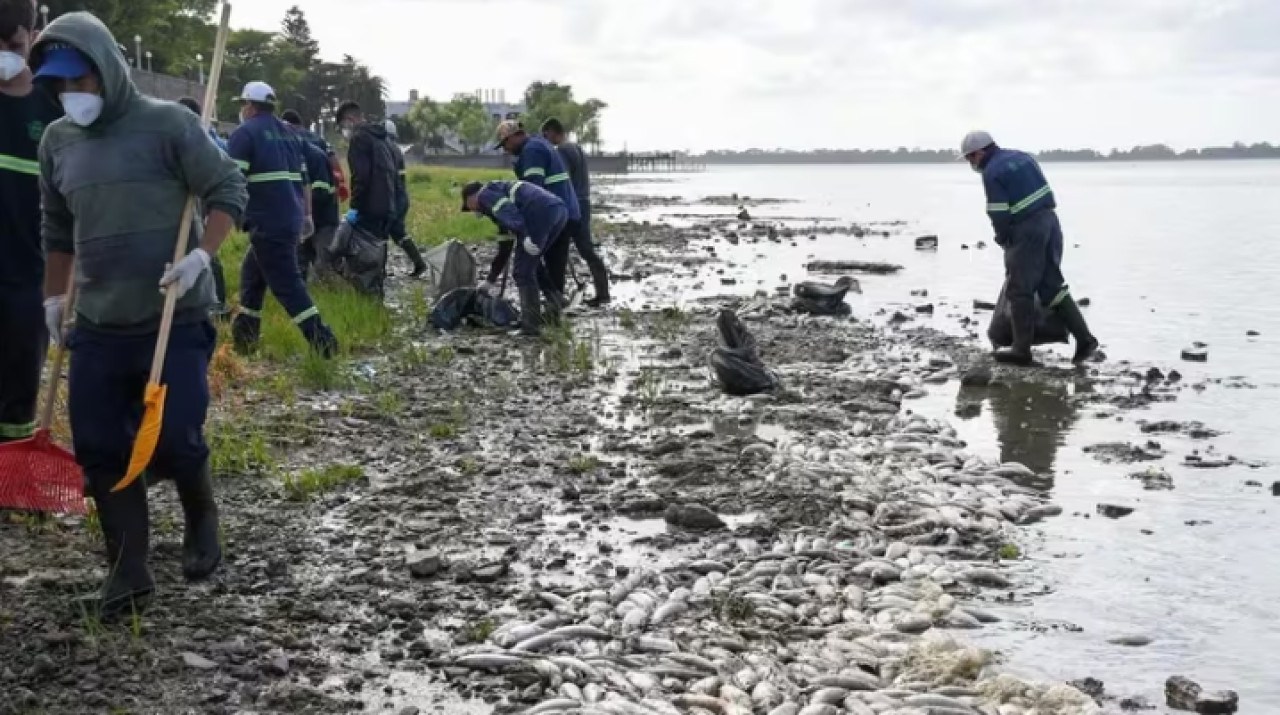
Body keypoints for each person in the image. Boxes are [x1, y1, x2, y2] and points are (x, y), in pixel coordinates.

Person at [32, 13, 248, 616]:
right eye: (60, 85)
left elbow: (228, 189)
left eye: (81, 81)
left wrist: (201, 257)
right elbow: (57, 228)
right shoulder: (57, 142)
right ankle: (127, 569)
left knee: (175, 438)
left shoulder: (169, 125)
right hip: (98, 322)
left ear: (107, 69)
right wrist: (54, 298)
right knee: (100, 448)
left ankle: (201, 514)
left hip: (172, 316)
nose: (71, 95)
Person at [961, 130, 1098, 365]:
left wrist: (1003, 238)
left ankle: (1021, 349)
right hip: (1050, 222)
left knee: (1019, 290)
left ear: (980, 152)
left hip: (1028, 230)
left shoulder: (992, 171)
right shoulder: (1024, 157)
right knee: (1052, 286)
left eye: (970, 158)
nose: (970, 163)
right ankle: (1085, 340)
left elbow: (998, 212)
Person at [227, 81, 338, 357]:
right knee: (252, 277)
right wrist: (307, 215)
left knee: (287, 286)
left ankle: (323, 342)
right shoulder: (289, 134)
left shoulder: (244, 134)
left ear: (251, 106)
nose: (243, 109)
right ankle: (245, 339)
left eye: (243, 104)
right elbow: (304, 178)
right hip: (289, 218)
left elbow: (232, 180)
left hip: (268, 222)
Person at [0, 0, 61, 445]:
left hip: (29, 282)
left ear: (31, 39)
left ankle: (11, 473)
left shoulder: (52, 113)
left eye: (13, 44)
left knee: (20, 386)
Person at [462, 179, 566, 336]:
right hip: (558, 210)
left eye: (468, 207)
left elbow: (509, 211)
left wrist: (525, 234)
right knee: (533, 265)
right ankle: (556, 305)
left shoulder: (485, 194)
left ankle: (530, 325)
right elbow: (505, 249)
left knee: (522, 272)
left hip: (539, 211)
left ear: (470, 198)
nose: (473, 212)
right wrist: (490, 280)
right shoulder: (496, 205)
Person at [492, 120, 580, 301]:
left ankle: (553, 307)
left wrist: (521, 222)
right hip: (564, 210)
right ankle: (555, 303)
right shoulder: (538, 145)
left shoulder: (532, 151)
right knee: (552, 260)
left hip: (555, 213)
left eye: (505, 144)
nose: (505, 149)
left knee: (541, 260)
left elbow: (533, 191)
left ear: (516, 136)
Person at [541, 117, 610, 307]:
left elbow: (561, 180)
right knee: (586, 248)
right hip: (584, 201)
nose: (545, 140)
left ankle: (556, 295)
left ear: (553, 132)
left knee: (559, 250)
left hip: (572, 204)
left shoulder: (562, 150)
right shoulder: (575, 147)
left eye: (546, 136)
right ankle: (603, 293)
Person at [177, 96, 230, 318]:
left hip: (204, 203)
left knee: (206, 252)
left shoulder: (206, 140)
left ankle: (216, 303)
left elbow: (224, 177)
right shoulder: (191, 137)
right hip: (192, 200)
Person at [282, 109, 340, 280]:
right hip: (303, 217)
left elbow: (321, 191)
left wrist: (299, 205)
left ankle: (337, 292)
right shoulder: (292, 153)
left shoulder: (314, 156)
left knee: (324, 264)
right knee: (300, 261)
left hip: (323, 219)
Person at [335, 100, 396, 244]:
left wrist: (355, 208)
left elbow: (361, 176)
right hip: (387, 206)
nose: (344, 132)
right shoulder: (380, 137)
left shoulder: (359, 138)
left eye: (343, 127)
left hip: (369, 209)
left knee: (363, 254)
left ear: (349, 120)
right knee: (378, 250)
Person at [382, 119, 428, 277]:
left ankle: (379, 269)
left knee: (382, 232)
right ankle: (419, 264)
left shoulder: (385, 147)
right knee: (398, 233)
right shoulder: (396, 149)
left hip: (393, 198)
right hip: (401, 198)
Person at [281, 108, 349, 204]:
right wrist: (341, 182)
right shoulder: (318, 138)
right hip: (324, 189)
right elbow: (332, 158)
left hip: (301, 192)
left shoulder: (289, 138)